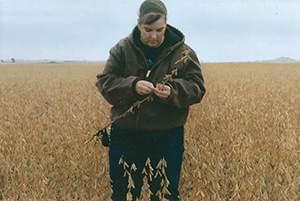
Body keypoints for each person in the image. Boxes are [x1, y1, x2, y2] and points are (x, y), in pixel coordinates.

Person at [96, 0, 205, 200]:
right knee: (123, 194)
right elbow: (105, 83)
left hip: (167, 135)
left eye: (159, 30)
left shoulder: (184, 53)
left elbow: (197, 88)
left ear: (166, 25)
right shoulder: (121, 49)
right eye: (148, 30)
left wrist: (173, 91)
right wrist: (132, 86)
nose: (153, 36)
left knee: (165, 195)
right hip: (126, 134)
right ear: (138, 25)